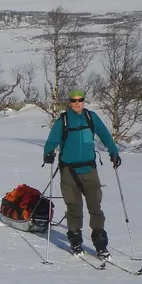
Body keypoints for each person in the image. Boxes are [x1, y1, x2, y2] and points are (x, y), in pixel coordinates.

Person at [42, 89, 120, 259]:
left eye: (80, 100)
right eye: (74, 100)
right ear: (69, 102)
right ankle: (75, 241)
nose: (77, 103)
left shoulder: (91, 118)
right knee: (74, 207)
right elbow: (52, 140)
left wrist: (114, 152)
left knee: (95, 207)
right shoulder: (62, 121)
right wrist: (48, 153)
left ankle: (100, 244)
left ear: (84, 101)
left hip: (89, 170)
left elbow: (105, 135)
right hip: (69, 172)